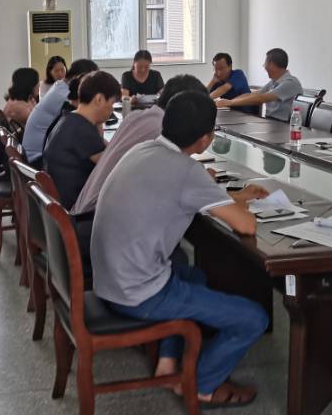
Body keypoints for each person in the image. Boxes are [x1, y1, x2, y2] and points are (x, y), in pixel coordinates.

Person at [92, 90, 270, 407]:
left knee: (194, 275)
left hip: (108, 280)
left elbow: (187, 194)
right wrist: (242, 207)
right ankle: (202, 386)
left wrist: (237, 197)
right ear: (205, 139)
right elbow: (247, 226)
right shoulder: (187, 170)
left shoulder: (143, 149)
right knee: (254, 319)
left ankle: (167, 361)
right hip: (139, 294)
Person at [73, 74, 208, 216]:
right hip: (96, 217)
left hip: (84, 211)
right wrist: (202, 180)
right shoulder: (165, 132)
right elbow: (178, 185)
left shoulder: (134, 116)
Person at [43, 71, 118, 210]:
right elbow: (114, 165)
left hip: (61, 203)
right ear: (99, 99)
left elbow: (104, 148)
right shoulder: (82, 130)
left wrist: (98, 121)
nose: (111, 110)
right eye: (112, 103)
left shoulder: (70, 119)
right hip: (76, 210)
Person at [22, 58, 99, 165]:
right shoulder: (65, 96)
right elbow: (90, 128)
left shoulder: (60, 86)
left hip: (34, 154)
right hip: (38, 160)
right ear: (82, 78)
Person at [216, 48, 302, 120]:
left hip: (283, 125)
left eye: (265, 63)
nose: (264, 66)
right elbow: (253, 94)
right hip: (271, 122)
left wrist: (230, 103)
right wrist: (227, 102)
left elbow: (261, 98)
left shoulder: (290, 82)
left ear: (271, 64)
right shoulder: (274, 81)